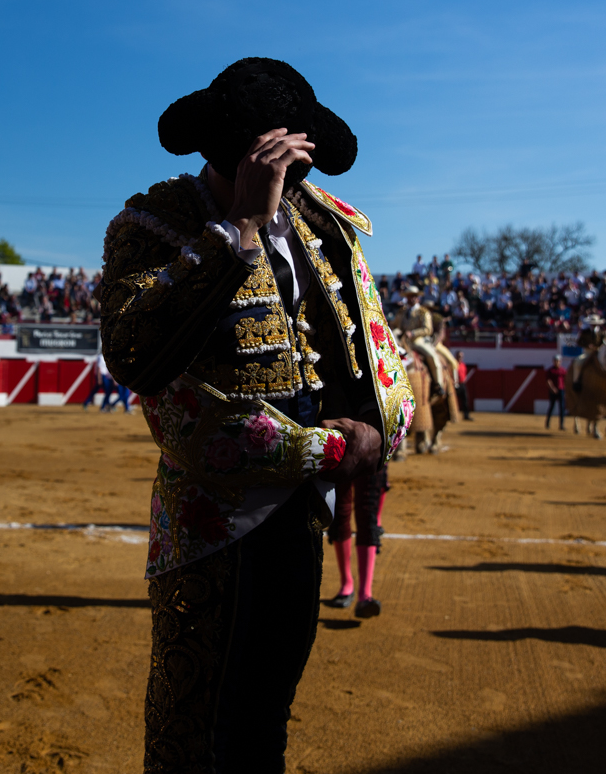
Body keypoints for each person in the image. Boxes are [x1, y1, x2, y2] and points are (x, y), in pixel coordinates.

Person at [97, 58, 413, 773]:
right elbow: (134, 357)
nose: (290, 176)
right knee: (195, 726)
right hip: (213, 517)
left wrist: (368, 427)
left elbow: (357, 343)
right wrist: (238, 226)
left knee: (264, 717)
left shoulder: (321, 223)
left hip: (302, 508)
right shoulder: (153, 223)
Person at [327, 465, 388, 618]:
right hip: (341, 449)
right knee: (340, 512)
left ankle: (365, 594)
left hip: (371, 448)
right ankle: (347, 583)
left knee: (367, 513)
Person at [394, 286, 445, 397]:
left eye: (413, 296)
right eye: (409, 296)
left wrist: (412, 333)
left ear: (417, 298)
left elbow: (428, 329)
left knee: (431, 355)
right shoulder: (402, 311)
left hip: (418, 340)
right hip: (403, 340)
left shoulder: (423, 312)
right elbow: (396, 325)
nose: (411, 298)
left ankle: (438, 384)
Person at [570, 315, 606, 392]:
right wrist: (587, 345)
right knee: (578, 362)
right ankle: (576, 381)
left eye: (595, 323)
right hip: (588, 352)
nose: (593, 325)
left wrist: (598, 347)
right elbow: (579, 342)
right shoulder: (585, 332)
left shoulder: (602, 332)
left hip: (598, 352)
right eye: (592, 323)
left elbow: (604, 343)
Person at [545, 355, 567, 430]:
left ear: (560, 362)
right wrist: (552, 388)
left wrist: (566, 391)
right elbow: (548, 381)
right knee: (551, 407)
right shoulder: (551, 370)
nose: (557, 362)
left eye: (558, 361)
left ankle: (561, 425)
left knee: (562, 408)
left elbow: (566, 381)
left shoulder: (563, 370)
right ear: (553, 361)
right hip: (553, 391)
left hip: (561, 390)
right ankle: (547, 423)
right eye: (555, 361)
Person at [455, 350, 472, 420]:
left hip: (462, 384)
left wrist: (464, 379)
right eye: (459, 356)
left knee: (465, 400)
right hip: (455, 385)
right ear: (456, 356)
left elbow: (464, 374)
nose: (460, 357)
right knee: (453, 401)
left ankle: (466, 415)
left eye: (461, 356)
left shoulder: (463, 365)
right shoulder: (454, 364)